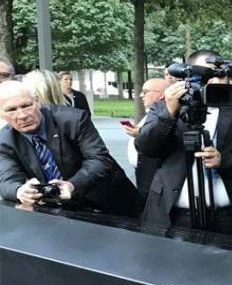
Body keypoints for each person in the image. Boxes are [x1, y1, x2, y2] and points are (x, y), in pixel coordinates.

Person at [135, 49, 232, 239]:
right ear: (187, 76)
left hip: (229, 218)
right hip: (174, 216)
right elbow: (146, 147)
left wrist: (224, 160)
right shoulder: (165, 107)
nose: (215, 81)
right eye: (207, 75)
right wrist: (169, 112)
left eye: (220, 74)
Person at [0, 80, 139, 217]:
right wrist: (19, 191)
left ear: (37, 101)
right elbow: (7, 180)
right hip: (57, 213)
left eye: (26, 105)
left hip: (107, 201)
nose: (23, 115)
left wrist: (72, 185)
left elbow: (99, 159)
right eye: (11, 110)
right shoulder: (5, 140)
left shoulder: (73, 119)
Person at [124, 77, 168, 200]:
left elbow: (156, 140)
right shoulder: (153, 113)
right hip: (145, 177)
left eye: (146, 91)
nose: (141, 95)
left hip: (153, 180)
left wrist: (140, 134)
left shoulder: (164, 116)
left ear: (161, 95)